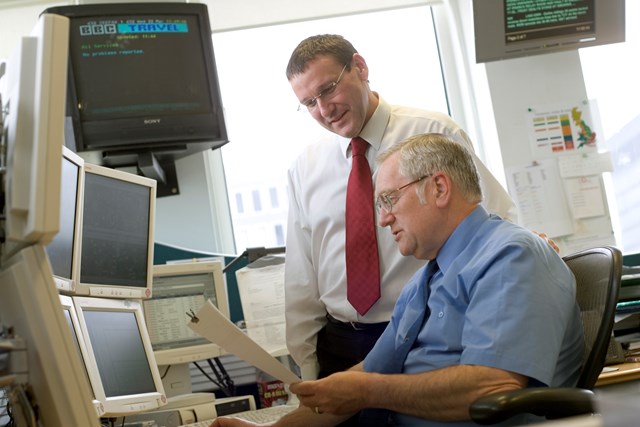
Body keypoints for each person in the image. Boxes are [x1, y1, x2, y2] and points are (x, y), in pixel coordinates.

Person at [212, 133, 585, 427]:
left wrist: (366, 392)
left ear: (438, 188)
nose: (383, 219)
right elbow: (369, 373)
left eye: (389, 199)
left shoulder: (510, 255)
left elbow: (491, 386)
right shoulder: (425, 280)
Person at [283, 34, 516, 381]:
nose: (324, 109)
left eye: (328, 88)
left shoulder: (434, 132)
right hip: (339, 342)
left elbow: (495, 226)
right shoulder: (305, 167)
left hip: (425, 331)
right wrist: (306, 365)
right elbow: (302, 276)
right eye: (309, 103)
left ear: (360, 68)